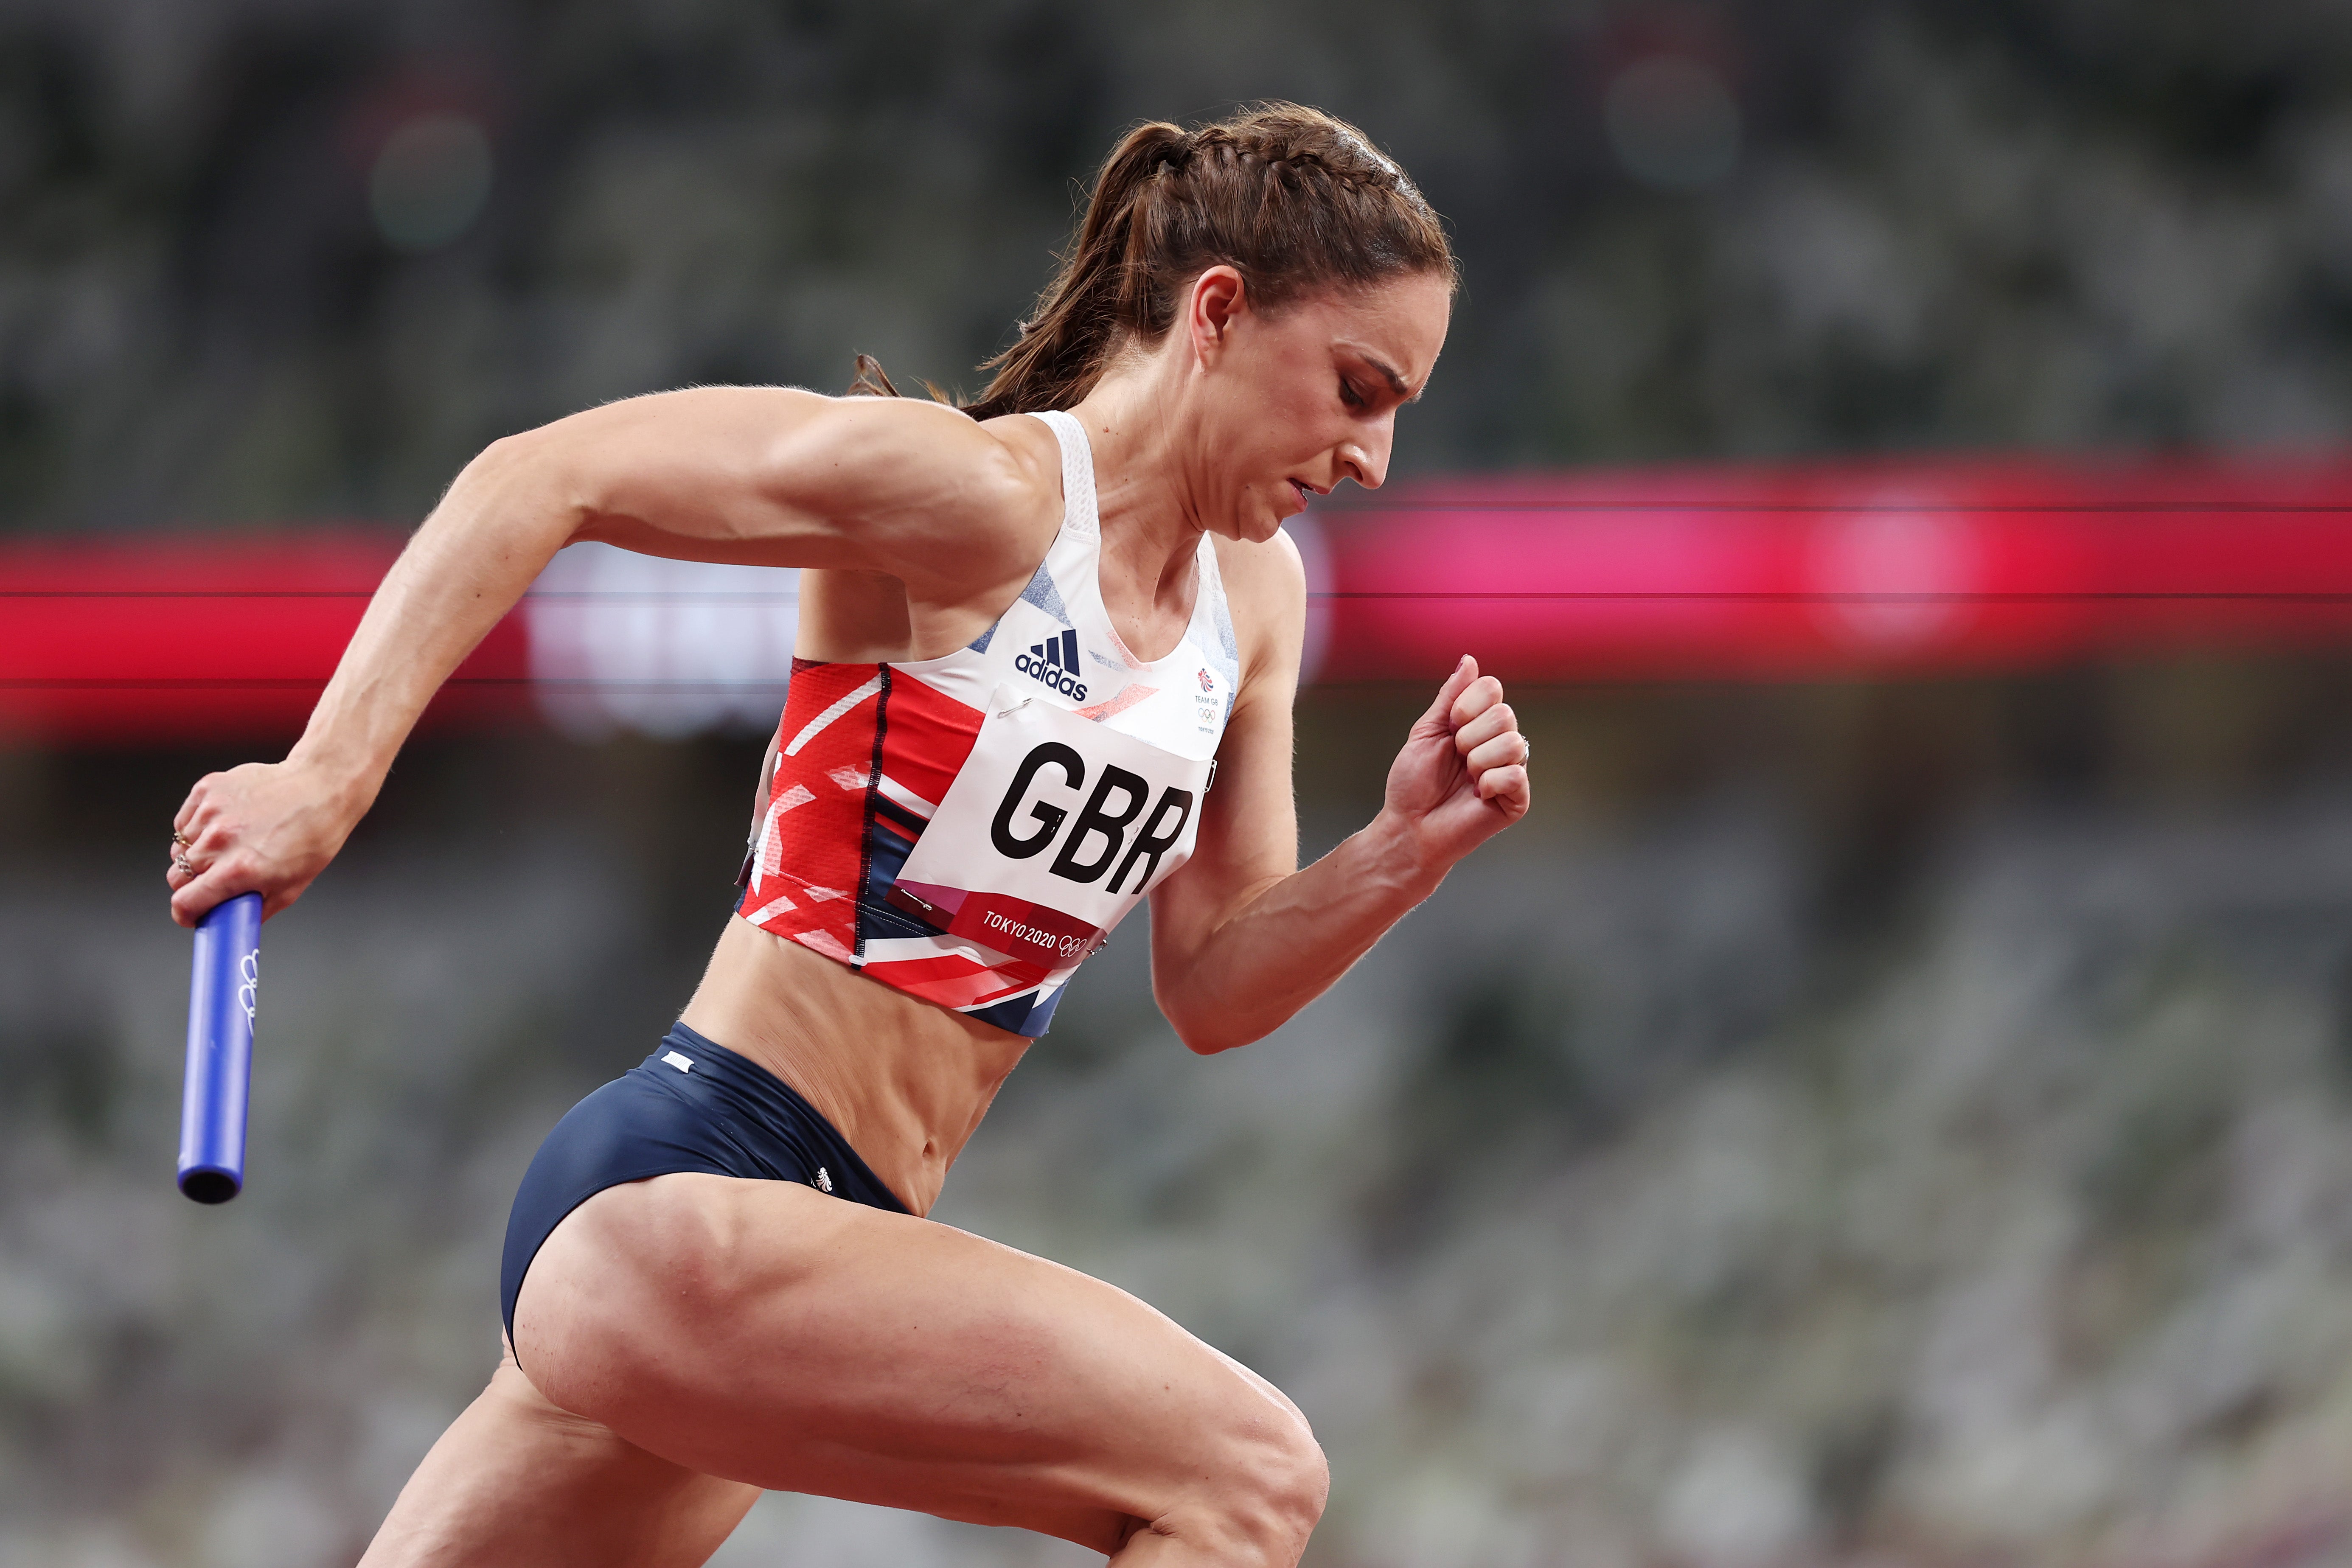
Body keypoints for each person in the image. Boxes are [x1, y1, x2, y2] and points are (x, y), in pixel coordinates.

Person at [165, 102, 1530, 1568]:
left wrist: (1403, 851)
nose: (1375, 456)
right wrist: (326, 777)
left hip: (818, 1258)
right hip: (694, 1195)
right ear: (1216, 315)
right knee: (1252, 1478)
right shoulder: (976, 501)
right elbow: (539, 475)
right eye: (1358, 388)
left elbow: (1212, 989)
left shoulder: (1257, 607)